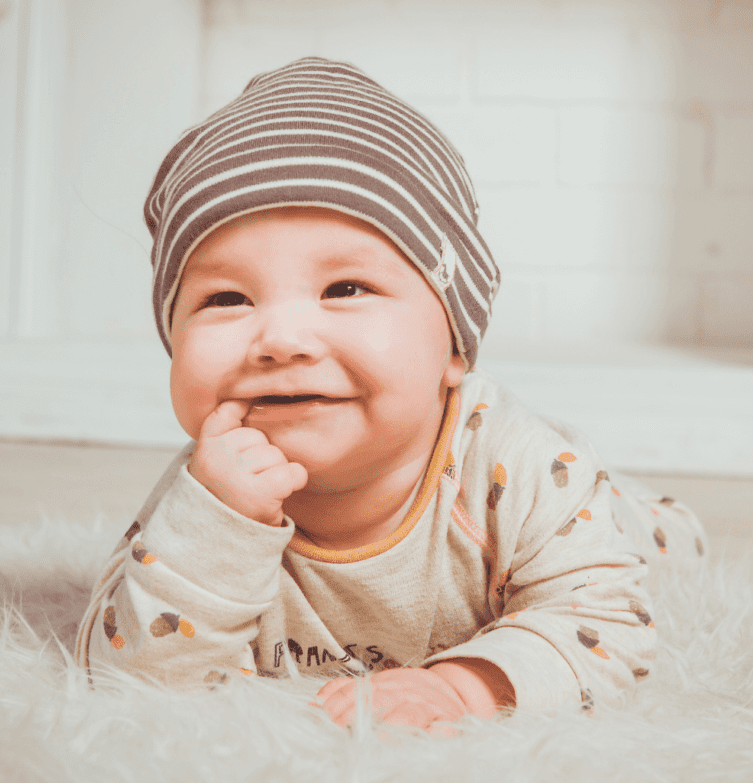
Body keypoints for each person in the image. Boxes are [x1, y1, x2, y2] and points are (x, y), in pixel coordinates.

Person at [75, 57, 707, 733]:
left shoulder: (519, 465)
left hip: (573, 509)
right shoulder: (208, 496)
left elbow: (607, 623)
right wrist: (214, 532)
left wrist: (463, 687)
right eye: (226, 297)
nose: (282, 338)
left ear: (455, 347)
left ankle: (644, 510)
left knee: (642, 543)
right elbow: (126, 675)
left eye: (345, 288)